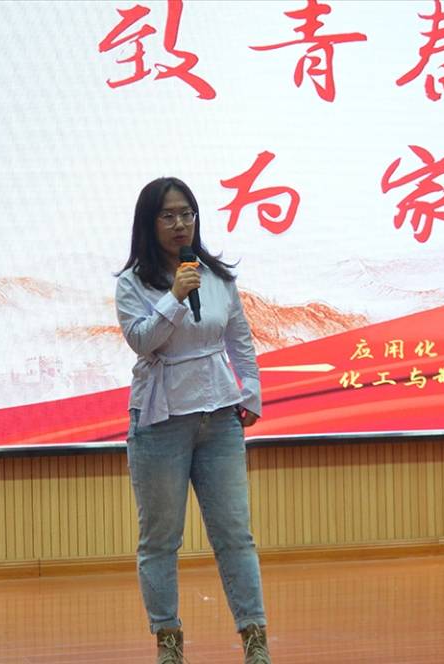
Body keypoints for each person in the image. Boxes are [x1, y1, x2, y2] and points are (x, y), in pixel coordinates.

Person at [115, 177, 271, 664]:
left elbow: (239, 338)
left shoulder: (216, 275)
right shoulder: (132, 283)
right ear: (149, 223)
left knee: (235, 534)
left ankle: (255, 641)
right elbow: (142, 341)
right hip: (160, 421)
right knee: (161, 541)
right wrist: (175, 297)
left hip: (220, 417)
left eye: (187, 213)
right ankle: (169, 645)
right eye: (168, 215)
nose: (180, 223)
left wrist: (250, 391)